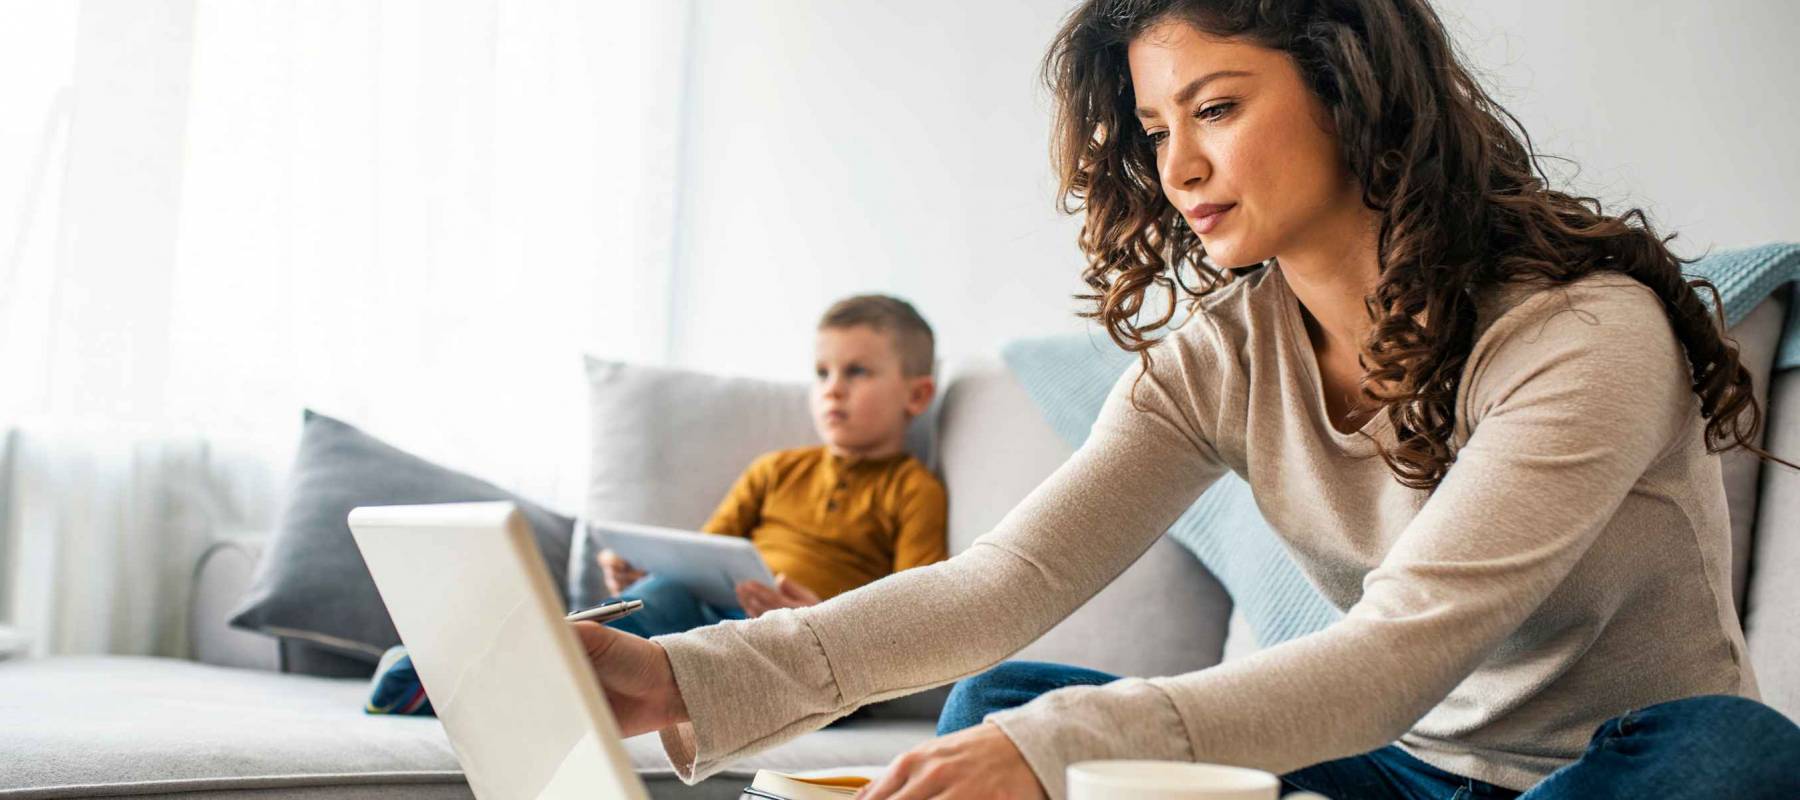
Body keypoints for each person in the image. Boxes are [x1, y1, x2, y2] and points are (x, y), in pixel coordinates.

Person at [573, 1, 1800, 798]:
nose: (1179, 166)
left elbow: (1396, 653)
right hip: (1402, 770)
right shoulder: (1222, 356)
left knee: (1740, 759)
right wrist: (685, 672)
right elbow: (1003, 583)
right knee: (1005, 702)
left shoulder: (1583, 334)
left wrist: (1063, 755)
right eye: (1158, 126)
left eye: (1216, 106)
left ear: (1352, 89)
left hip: (1616, 770)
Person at [595, 293, 948, 638]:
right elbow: (702, 555)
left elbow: (915, 611)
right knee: (661, 592)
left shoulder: (915, 490)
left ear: (916, 396)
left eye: (856, 371)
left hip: (801, 638)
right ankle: (585, 647)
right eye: (822, 373)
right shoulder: (776, 469)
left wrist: (822, 622)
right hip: (708, 610)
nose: (833, 389)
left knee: (760, 647)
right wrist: (643, 570)